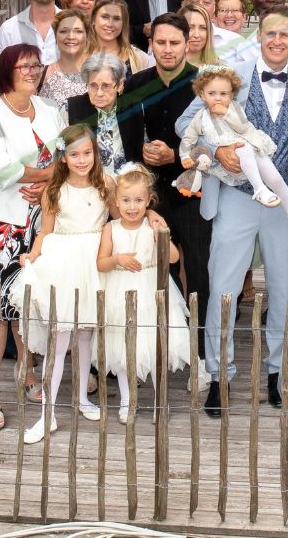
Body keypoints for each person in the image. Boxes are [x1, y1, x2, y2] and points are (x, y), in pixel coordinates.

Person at [174, 10, 288, 416]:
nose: (277, 40)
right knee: (224, 289)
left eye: (285, 33)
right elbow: (186, 123)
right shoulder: (228, 76)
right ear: (259, 36)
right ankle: (219, 377)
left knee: (285, 289)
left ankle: (276, 373)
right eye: (270, 33)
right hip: (235, 196)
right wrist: (215, 151)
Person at [0, 44, 67, 429]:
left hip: (42, 216)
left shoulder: (49, 110)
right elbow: (2, 169)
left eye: (36, 65)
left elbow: (69, 154)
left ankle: (28, 374)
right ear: (6, 71)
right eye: (23, 65)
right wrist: (47, 175)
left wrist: (45, 185)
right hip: (0, 220)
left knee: (31, 298)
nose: (32, 70)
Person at [11, 124, 113, 442]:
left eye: (87, 153)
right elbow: (46, 231)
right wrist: (33, 255)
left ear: (95, 154)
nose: (82, 160)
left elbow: (122, 216)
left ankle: (82, 397)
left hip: (95, 259)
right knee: (60, 337)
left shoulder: (106, 184)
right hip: (65, 260)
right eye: (74, 155)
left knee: (85, 333)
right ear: (64, 158)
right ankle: (48, 413)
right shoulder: (54, 190)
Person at [120, 13, 208, 341]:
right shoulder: (135, 84)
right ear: (151, 44)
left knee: (199, 270)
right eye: (161, 43)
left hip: (193, 192)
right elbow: (127, 144)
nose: (167, 49)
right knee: (158, 270)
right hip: (150, 196)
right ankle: (163, 341)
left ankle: (199, 346)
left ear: (188, 44)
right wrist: (142, 152)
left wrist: (176, 154)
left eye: (174, 42)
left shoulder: (203, 83)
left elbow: (215, 143)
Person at [97, 164, 203, 423]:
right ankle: (127, 400)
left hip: (151, 288)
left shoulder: (154, 225)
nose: (132, 207)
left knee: (156, 345)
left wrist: (160, 237)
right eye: (126, 200)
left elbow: (175, 258)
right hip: (120, 290)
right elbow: (101, 262)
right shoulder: (111, 229)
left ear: (148, 201)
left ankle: (160, 400)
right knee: (121, 347)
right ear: (116, 202)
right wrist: (117, 259)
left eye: (138, 200)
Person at [178, 65, 288, 226]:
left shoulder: (234, 108)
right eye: (212, 94)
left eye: (224, 94)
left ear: (231, 95)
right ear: (202, 95)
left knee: (275, 177)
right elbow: (188, 138)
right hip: (234, 160)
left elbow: (242, 126)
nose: (218, 98)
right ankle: (259, 189)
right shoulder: (200, 118)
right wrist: (185, 156)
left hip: (252, 148)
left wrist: (226, 112)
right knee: (243, 148)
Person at [68, 54, 131, 171]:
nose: (99, 93)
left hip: (125, 183)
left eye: (106, 86)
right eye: (93, 86)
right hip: (86, 182)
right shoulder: (71, 108)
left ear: (120, 85)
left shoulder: (133, 108)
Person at [37, 9, 92, 109]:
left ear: (87, 36)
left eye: (78, 31)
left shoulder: (99, 72)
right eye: (63, 31)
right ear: (55, 36)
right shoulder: (41, 74)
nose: (71, 37)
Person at [89, 0, 153, 74]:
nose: (110, 24)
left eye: (116, 19)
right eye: (105, 17)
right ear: (94, 20)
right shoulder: (78, 54)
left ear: (124, 23)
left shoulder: (140, 59)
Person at [180, 1, 219, 67]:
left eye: (203, 28)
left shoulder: (220, 70)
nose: (196, 35)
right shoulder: (164, 68)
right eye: (190, 28)